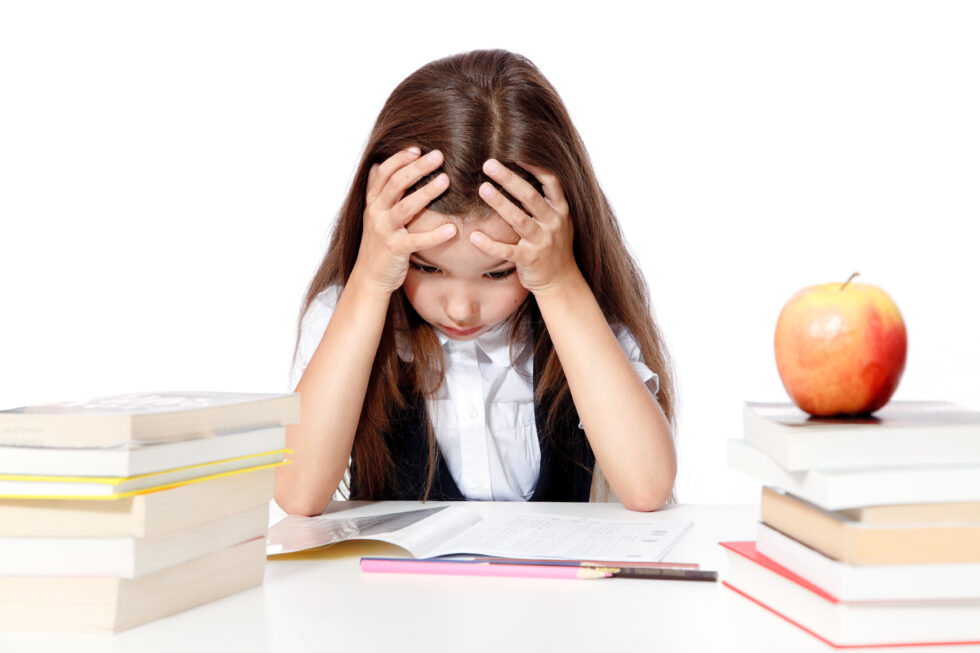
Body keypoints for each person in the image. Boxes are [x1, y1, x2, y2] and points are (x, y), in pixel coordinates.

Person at [276, 49, 676, 516]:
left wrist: (561, 286)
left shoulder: (583, 320)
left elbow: (647, 487)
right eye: (427, 268)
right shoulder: (345, 314)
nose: (461, 307)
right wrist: (368, 281)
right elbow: (298, 495)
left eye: (498, 272)